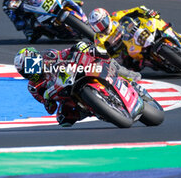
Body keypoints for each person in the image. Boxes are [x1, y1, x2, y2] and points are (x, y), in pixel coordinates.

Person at [14, 42, 142, 127]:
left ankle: (124, 73)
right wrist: (48, 100)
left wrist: (78, 47)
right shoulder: (34, 87)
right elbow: (50, 108)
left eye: (30, 66)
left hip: (75, 73)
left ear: (35, 58)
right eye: (25, 71)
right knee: (63, 120)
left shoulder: (48, 56)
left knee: (97, 52)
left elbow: (66, 53)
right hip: (65, 93)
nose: (29, 72)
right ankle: (93, 109)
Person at [88, 6, 181, 71]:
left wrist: (147, 11)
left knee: (154, 19)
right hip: (125, 50)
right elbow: (104, 56)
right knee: (127, 66)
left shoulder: (115, 16)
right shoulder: (98, 39)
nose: (101, 28)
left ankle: (175, 35)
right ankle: (151, 62)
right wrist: (110, 51)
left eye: (102, 23)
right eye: (97, 27)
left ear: (107, 17)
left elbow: (135, 10)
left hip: (135, 34)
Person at [0, 0, 84, 42]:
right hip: (32, 16)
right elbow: (16, 22)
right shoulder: (7, 5)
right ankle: (57, 31)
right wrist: (23, 21)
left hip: (43, 2)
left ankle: (72, 4)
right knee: (31, 36)